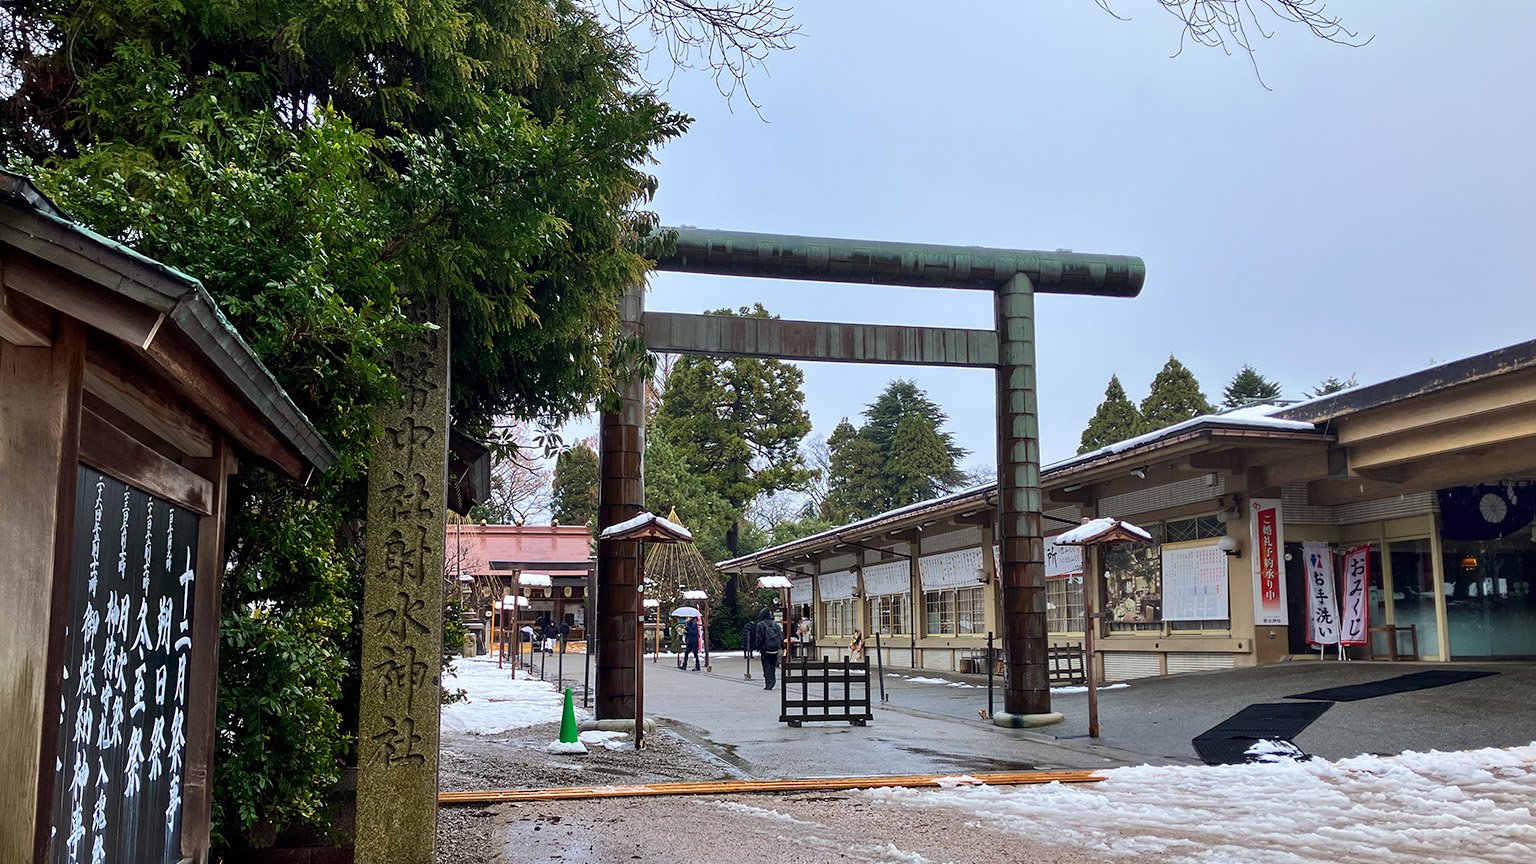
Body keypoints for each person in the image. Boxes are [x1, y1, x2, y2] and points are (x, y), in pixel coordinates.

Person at [755, 608, 783, 690]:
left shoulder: (760, 625)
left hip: (765, 649)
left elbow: (759, 638)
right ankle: (772, 681)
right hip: (774, 649)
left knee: (766, 666)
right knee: (772, 666)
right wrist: (781, 646)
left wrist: (758, 647)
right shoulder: (775, 624)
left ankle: (769, 683)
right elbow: (781, 635)